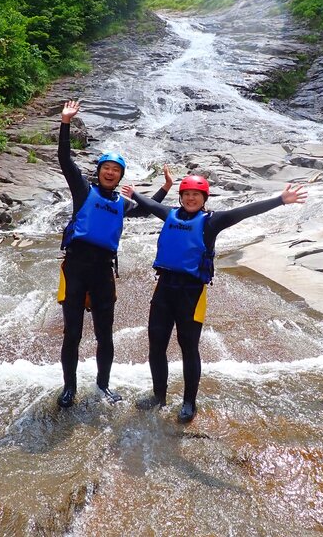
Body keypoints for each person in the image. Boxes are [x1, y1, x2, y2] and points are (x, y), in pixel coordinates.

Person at [121, 175, 307, 423]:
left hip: (192, 293)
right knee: (156, 346)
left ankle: (189, 402)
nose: (190, 198)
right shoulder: (170, 215)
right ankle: (159, 396)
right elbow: (151, 205)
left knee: (189, 348)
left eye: (196, 195)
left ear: (204, 199)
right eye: (186, 194)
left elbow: (244, 211)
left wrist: (280, 200)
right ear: (181, 197)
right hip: (164, 289)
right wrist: (134, 194)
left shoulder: (212, 222)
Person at [56, 99, 172, 408]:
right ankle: (69, 387)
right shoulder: (83, 191)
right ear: (100, 171)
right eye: (106, 168)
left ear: (120, 177)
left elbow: (146, 211)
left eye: (116, 170)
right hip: (76, 267)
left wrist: (165, 189)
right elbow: (65, 161)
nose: (110, 173)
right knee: (73, 332)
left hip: (103, 271)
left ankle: (103, 385)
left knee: (105, 334)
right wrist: (66, 123)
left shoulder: (122, 203)